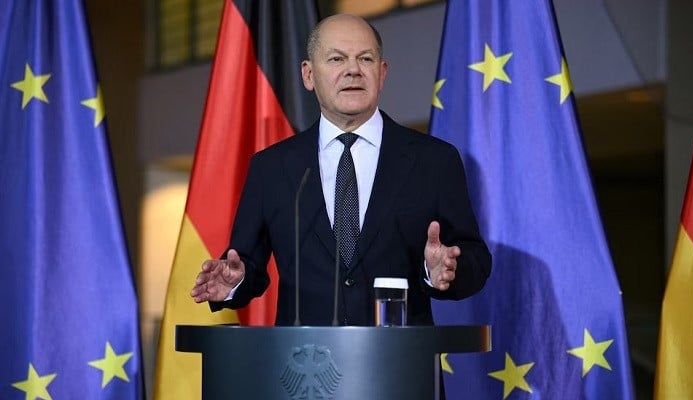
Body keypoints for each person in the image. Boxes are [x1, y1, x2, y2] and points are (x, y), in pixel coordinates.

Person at [190, 14, 491, 326]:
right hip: (304, 365)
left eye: (366, 58)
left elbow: (475, 259)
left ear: (382, 72)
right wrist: (234, 281)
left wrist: (443, 270)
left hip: (402, 365)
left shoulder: (434, 160)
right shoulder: (272, 167)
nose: (353, 70)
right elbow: (247, 263)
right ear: (308, 75)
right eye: (337, 59)